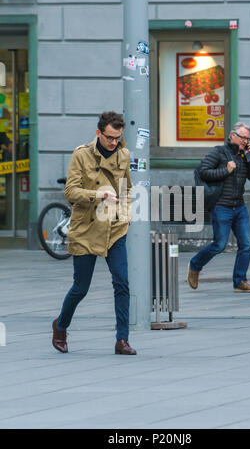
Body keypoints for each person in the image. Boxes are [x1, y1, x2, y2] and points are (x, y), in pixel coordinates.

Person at [52, 111, 136, 355]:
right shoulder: (82, 154)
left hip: (115, 227)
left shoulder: (124, 153)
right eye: (109, 137)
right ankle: (61, 325)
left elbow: (127, 187)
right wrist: (99, 195)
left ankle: (122, 340)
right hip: (87, 227)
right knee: (81, 287)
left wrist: (126, 213)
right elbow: (71, 192)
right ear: (99, 133)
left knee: (122, 283)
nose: (113, 143)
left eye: (117, 138)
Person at [187, 121, 250, 293]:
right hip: (221, 206)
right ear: (233, 136)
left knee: (246, 245)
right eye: (243, 138)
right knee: (219, 244)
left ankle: (240, 281)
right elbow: (202, 171)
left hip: (239, 207)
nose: (245, 141)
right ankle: (195, 264)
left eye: (248, 139)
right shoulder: (218, 152)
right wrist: (225, 170)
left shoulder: (244, 155)